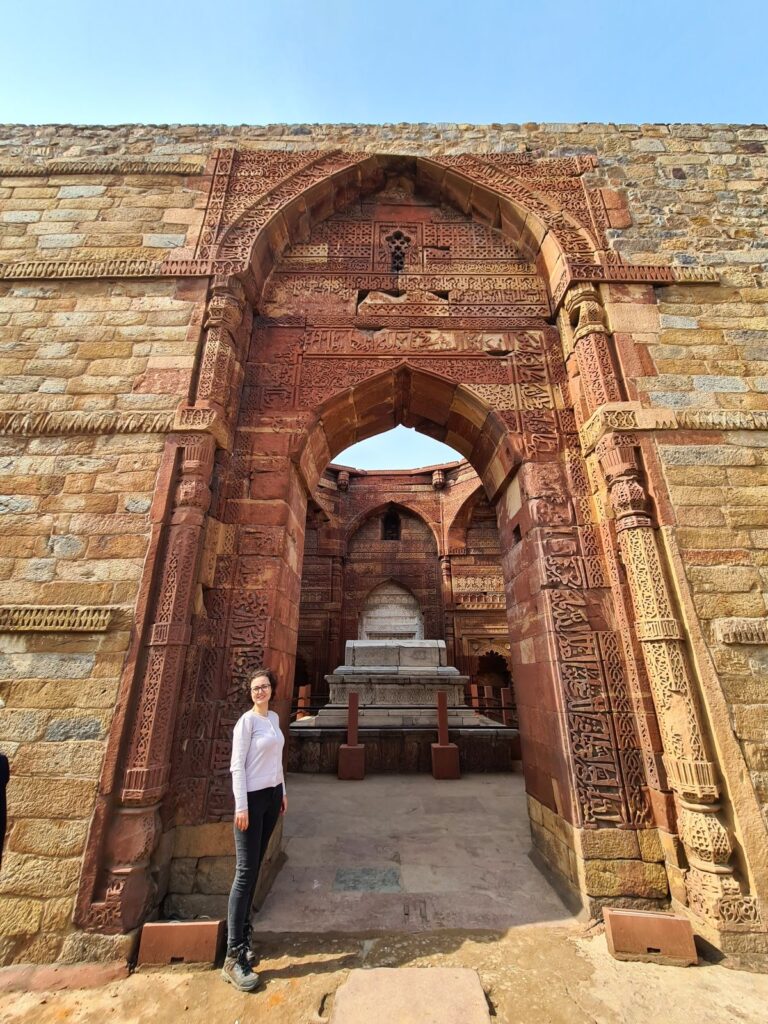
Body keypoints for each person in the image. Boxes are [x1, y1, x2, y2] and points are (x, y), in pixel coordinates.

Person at [222, 668, 287, 992]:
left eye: (264, 687)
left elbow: (276, 760)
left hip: (273, 795)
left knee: (255, 867)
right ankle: (233, 956)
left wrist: (283, 792)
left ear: (272, 690)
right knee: (245, 873)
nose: (260, 692)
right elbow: (237, 765)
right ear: (250, 692)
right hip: (250, 802)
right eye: (255, 688)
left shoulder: (273, 720)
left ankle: (244, 939)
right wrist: (241, 806)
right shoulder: (246, 722)